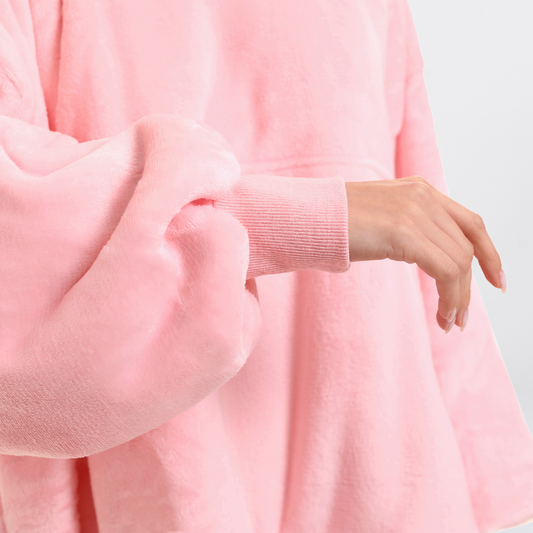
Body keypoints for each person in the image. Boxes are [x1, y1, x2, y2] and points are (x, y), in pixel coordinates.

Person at [0, 0, 532, 531]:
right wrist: (309, 219)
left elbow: (423, 232)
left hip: (388, 475)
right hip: (162, 496)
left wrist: (481, 474)